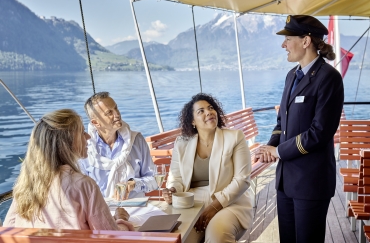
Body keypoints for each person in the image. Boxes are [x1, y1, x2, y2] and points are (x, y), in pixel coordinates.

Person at [254, 15, 344, 242]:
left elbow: (319, 133)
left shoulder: (328, 78)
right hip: (286, 181)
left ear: (306, 41)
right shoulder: (291, 76)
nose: (283, 45)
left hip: (311, 182)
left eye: (288, 39)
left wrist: (278, 152)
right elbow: (281, 122)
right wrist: (269, 146)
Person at [3, 109, 133, 231]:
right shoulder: (84, 185)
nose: (88, 136)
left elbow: (8, 227)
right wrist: (121, 219)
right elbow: (110, 236)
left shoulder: (25, 186)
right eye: (82, 132)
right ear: (67, 141)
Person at [162, 93, 254, 243]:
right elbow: (176, 178)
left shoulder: (235, 137)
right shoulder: (182, 143)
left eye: (211, 108)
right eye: (201, 111)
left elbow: (242, 180)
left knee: (218, 235)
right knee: (181, 238)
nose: (209, 112)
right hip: (192, 203)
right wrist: (173, 190)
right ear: (192, 121)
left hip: (229, 201)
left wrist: (214, 207)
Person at [79, 92, 157, 199]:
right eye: (109, 113)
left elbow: (154, 179)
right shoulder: (85, 148)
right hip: (101, 211)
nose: (117, 114)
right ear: (96, 123)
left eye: (116, 108)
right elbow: (80, 189)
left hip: (137, 208)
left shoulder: (136, 140)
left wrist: (134, 183)